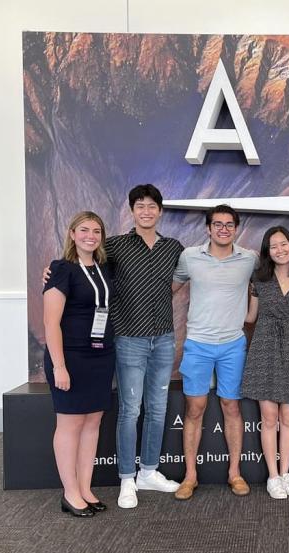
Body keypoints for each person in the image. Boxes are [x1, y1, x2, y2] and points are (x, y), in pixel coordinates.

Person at [44, 185, 185, 509]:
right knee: (130, 410)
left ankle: (148, 471)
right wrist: (50, 272)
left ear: (160, 211)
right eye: (140, 206)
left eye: (152, 206)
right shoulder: (114, 247)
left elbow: (176, 283)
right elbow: (77, 261)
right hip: (128, 340)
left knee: (158, 409)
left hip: (162, 338)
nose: (147, 211)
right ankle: (126, 479)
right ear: (131, 211)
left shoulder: (173, 248)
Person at [172, 204, 257, 500]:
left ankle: (235, 473)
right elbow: (168, 287)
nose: (223, 229)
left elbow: (275, 278)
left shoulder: (249, 259)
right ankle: (190, 476)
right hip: (198, 344)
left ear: (236, 228)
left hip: (233, 345)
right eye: (217, 224)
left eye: (229, 224)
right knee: (194, 409)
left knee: (231, 407)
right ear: (208, 228)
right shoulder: (189, 257)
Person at [43, 211, 115, 517]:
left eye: (96, 231)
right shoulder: (61, 269)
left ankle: (85, 489)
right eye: (84, 230)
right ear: (72, 234)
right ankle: (70, 493)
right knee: (70, 424)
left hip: (100, 355)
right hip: (70, 357)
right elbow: (51, 323)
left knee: (92, 424)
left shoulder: (103, 267)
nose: (90, 235)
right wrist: (59, 365)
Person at [243, 226, 289, 499]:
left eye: (284, 244)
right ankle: (273, 476)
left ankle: (286, 472)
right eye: (273, 246)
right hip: (264, 348)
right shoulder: (259, 279)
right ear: (267, 252)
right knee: (269, 418)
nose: (280, 250)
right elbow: (250, 317)